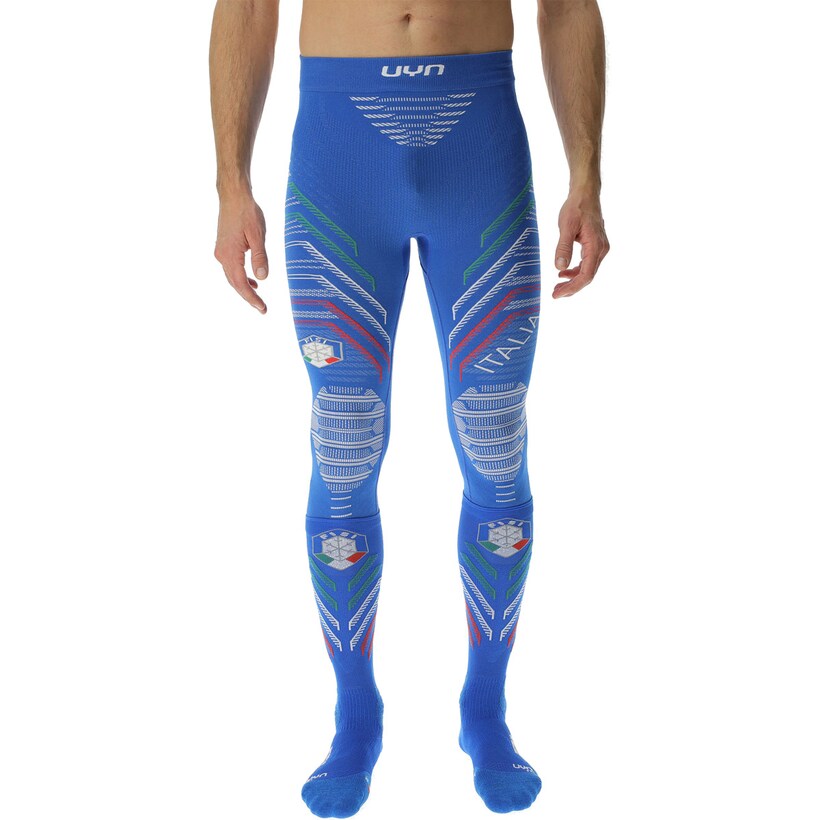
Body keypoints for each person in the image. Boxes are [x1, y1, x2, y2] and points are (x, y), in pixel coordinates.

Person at [209, 1, 609, 816]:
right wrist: (230, 184)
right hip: (340, 151)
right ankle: (355, 715)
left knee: (494, 439)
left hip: (478, 144)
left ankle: (484, 708)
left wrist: (588, 176)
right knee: (344, 444)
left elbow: (567, 4)